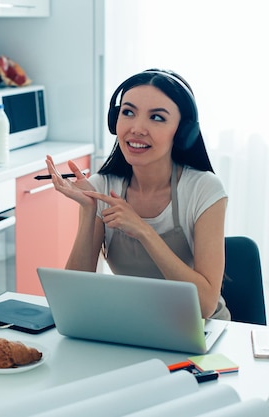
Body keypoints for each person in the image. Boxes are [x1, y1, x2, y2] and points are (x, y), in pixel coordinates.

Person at [45, 69, 230, 320]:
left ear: (183, 132)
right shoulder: (101, 187)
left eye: (157, 117)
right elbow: (71, 296)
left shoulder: (204, 190)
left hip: (198, 328)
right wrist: (90, 211)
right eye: (128, 112)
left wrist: (143, 230)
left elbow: (205, 306)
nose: (137, 128)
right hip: (134, 322)